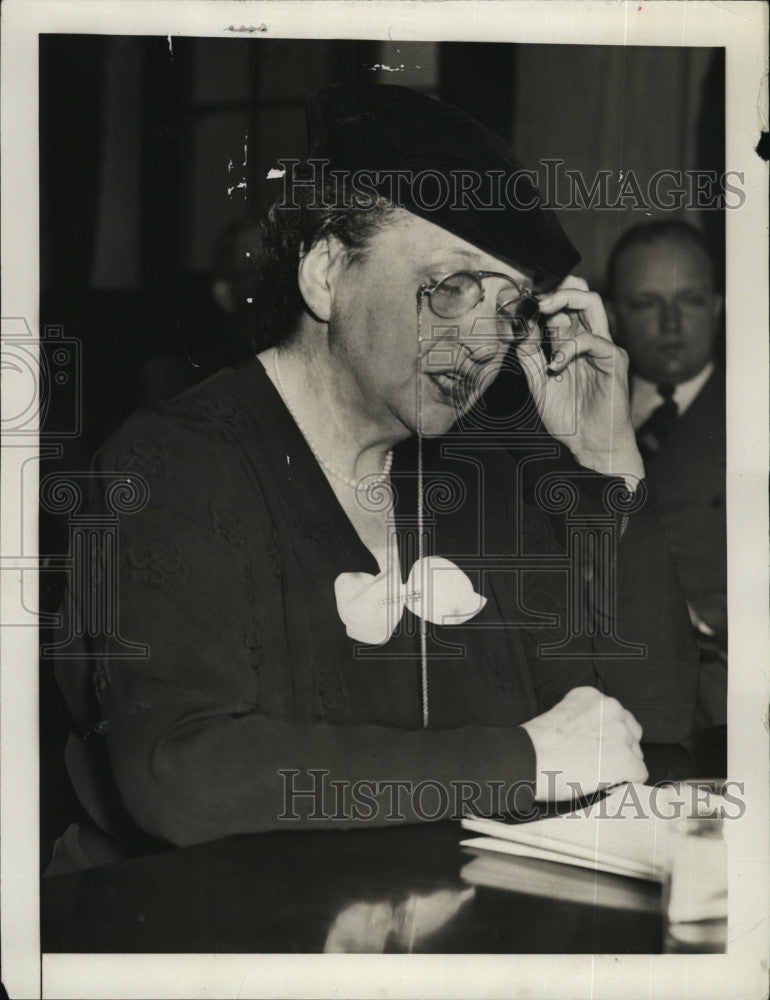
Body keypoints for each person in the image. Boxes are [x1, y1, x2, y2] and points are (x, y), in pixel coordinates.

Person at [48, 84, 699, 871]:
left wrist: (607, 464)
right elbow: (184, 776)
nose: (486, 339)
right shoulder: (173, 462)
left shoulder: (478, 479)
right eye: (452, 286)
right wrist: (522, 761)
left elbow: (650, 725)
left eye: (511, 306)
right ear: (326, 272)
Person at [605, 221, 726, 725]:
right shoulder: (569, 416)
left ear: (718, 307)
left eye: (691, 300)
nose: (672, 324)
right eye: (646, 304)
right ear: (612, 317)